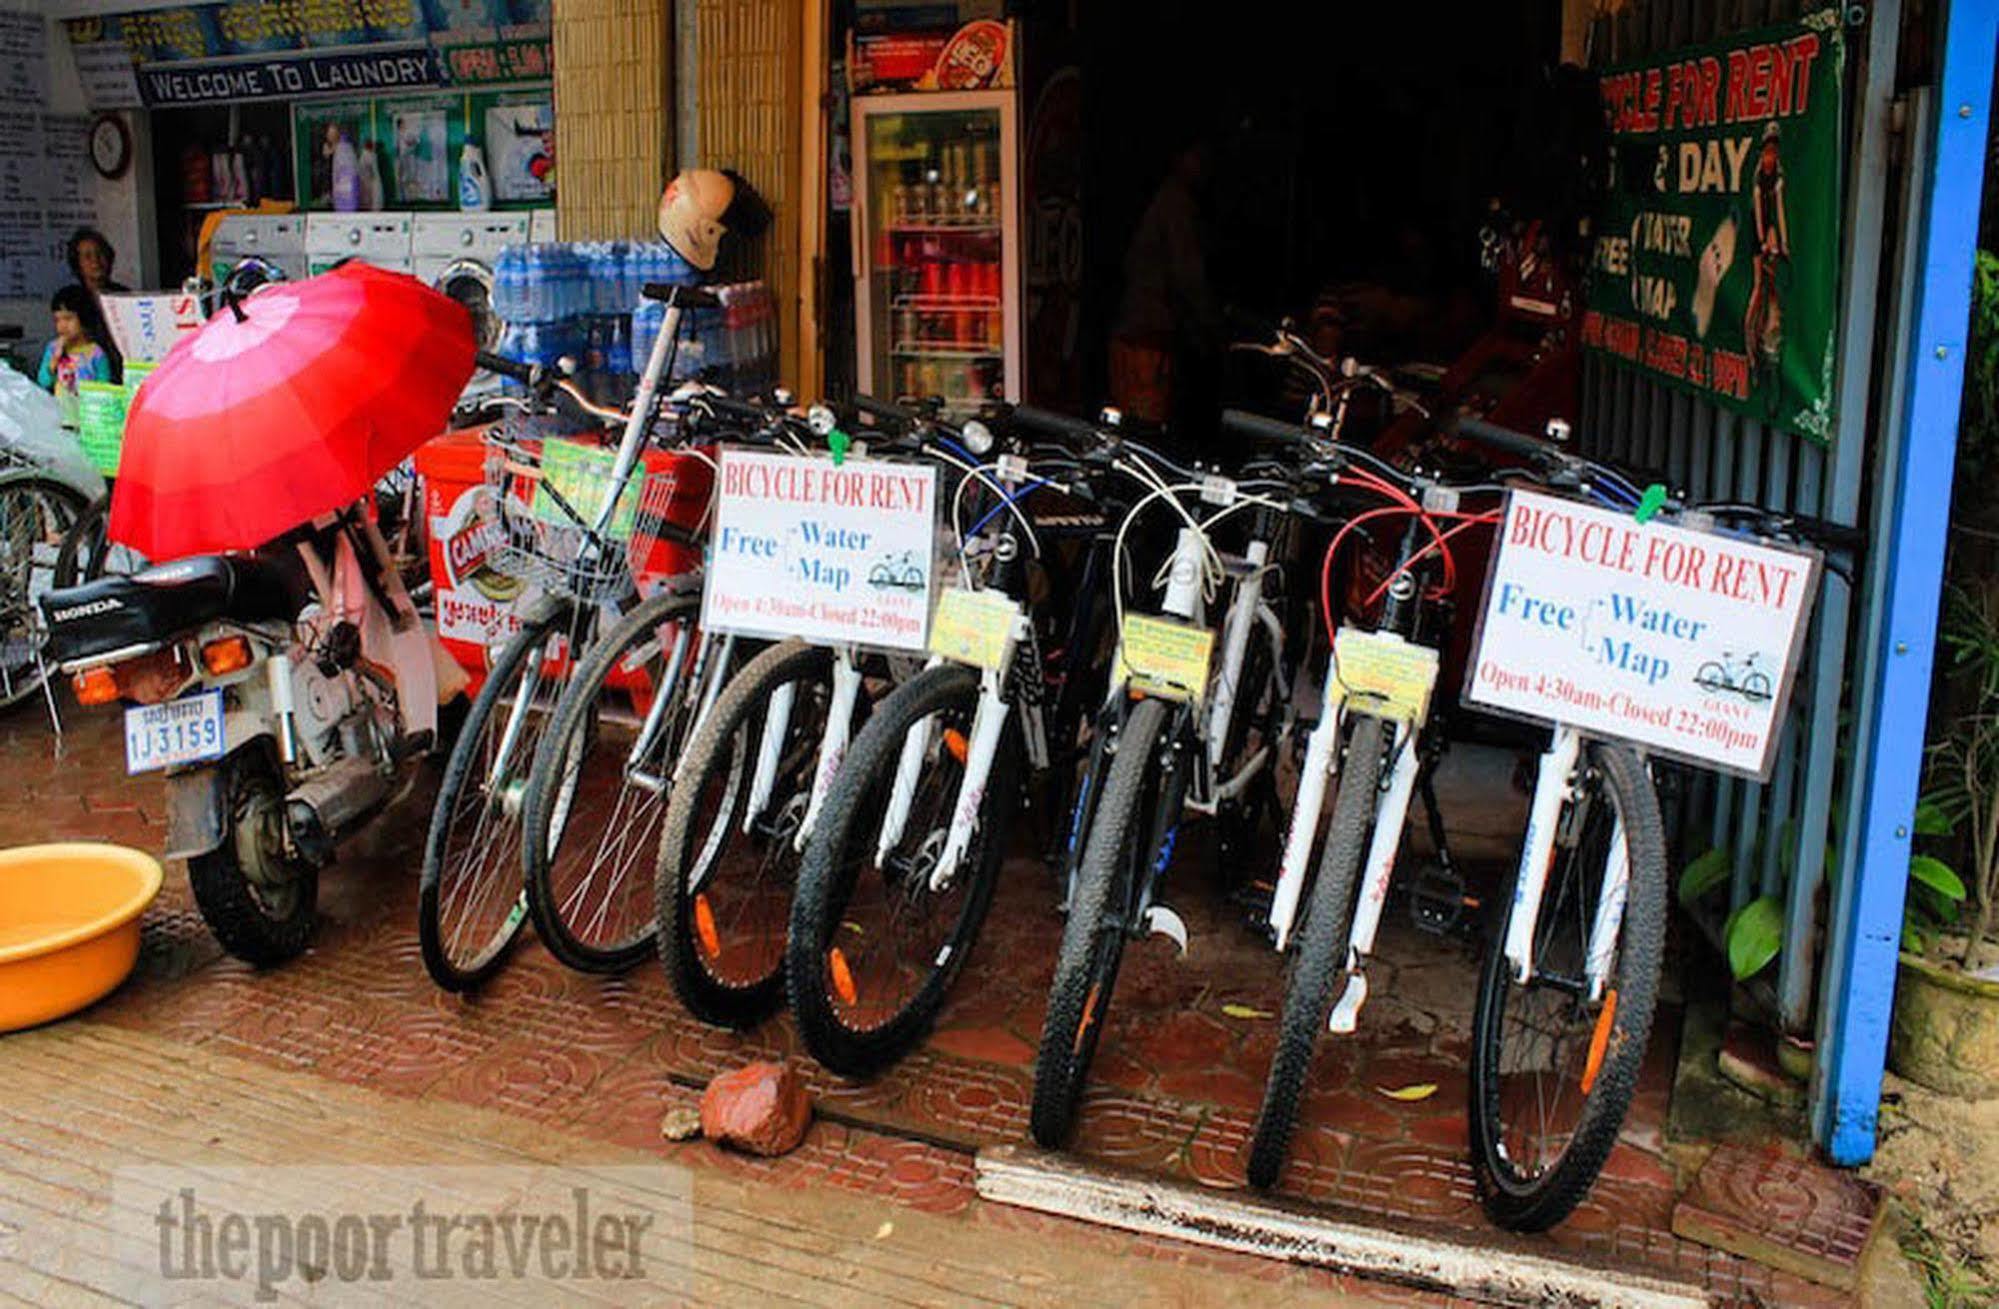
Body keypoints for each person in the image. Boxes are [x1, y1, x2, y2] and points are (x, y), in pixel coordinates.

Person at [1110, 135, 1220, 437]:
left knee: (1132, 423)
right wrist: (1210, 328)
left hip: (1137, 331)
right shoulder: (1175, 204)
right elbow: (1189, 275)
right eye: (1197, 160)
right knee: (1145, 426)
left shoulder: (1161, 202)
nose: (1203, 169)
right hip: (1147, 337)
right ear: (1180, 160)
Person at [37, 286, 113, 428]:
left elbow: (105, 389)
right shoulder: (53, 349)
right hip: (61, 420)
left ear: (84, 318)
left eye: (68, 318)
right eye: (57, 320)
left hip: (89, 421)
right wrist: (54, 360)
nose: (62, 326)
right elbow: (43, 382)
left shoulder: (96, 353)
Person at [65, 226, 128, 382]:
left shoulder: (124, 296)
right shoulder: (72, 301)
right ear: (77, 264)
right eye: (87, 256)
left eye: (100, 254)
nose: (96, 261)